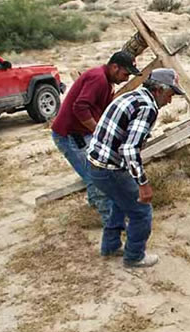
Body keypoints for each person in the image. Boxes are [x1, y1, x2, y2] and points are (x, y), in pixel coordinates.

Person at [87, 68, 184, 268]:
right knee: (141, 211)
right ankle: (134, 256)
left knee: (119, 202)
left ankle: (111, 246)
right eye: (170, 94)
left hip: (95, 165)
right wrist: (143, 183)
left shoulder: (132, 96)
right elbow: (130, 149)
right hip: (110, 168)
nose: (170, 100)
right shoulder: (148, 107)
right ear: (158, 89)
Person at [51, 51, 140, 225]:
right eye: (125, 74)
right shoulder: (98, 78)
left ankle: (97, 209)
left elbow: (101, 111)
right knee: (95, 178)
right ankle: (111, 223)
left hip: (81, 133)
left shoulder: (107, 82)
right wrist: (99, 133)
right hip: (69, 136)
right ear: (115, 67)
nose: (126, 78)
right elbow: (80, 107)